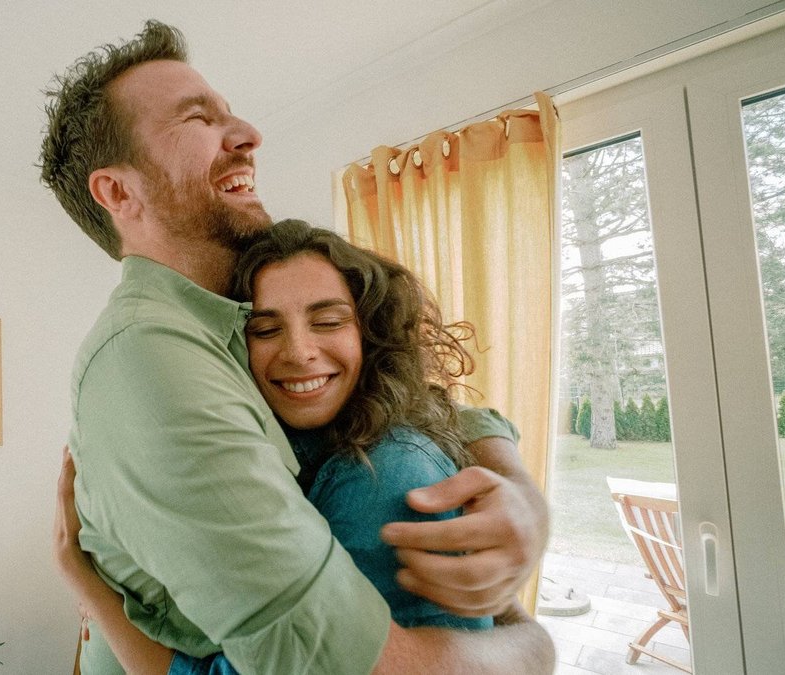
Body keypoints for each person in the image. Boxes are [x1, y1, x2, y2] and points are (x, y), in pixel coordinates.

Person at [39, 20, 552, 674]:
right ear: (117, 191)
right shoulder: (151, 355)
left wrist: (519, 490)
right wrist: (532, 644)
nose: (249, 134)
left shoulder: (222, 320)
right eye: (198, 118)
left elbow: (406, 398)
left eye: (326, 320)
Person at [54, 219, 525, 674]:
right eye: (265, 329)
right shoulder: (267, 437)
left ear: (368, 333)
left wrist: (83, 578)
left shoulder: (388, 471)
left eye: (328, 321)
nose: (299, 351)